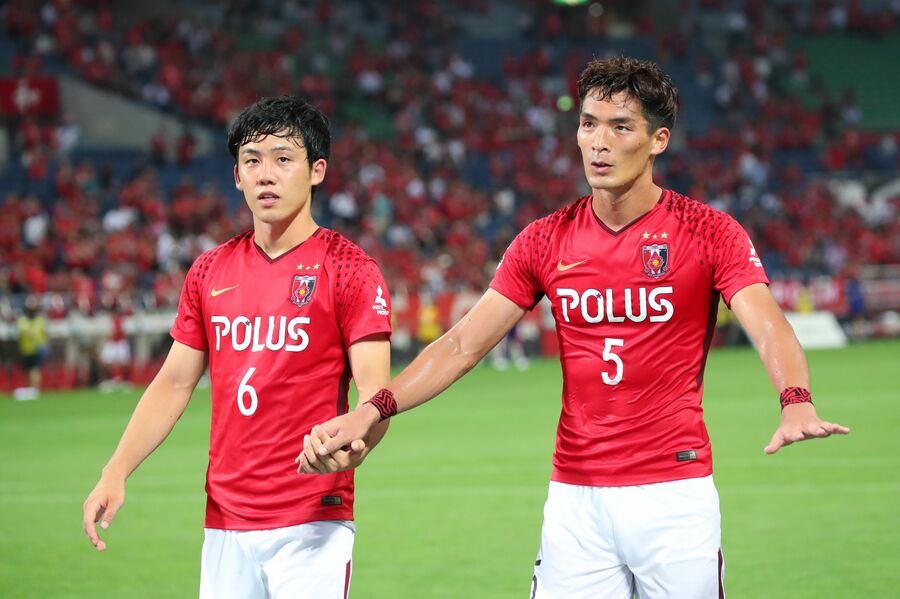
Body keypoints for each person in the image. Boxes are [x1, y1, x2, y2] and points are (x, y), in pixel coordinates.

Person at [299, 57, 850, 598]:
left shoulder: (707, 231)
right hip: (575, 500)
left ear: (658, 140)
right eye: (588, 124)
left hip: (674, 493)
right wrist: (373, 409)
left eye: (620, 127)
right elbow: (463, 343)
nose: (598, 143)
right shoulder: (545, 239)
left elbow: (768, 324)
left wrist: (795, 400)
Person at [83, 95, 392, 599]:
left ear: (317, 171)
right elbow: (173, 383)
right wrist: (115, 471)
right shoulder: (210, 270)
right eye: (252, 161)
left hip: (312, 520)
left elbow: (375, 395)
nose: (265, 175)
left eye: (282, 159)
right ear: (236, 176)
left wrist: (360, 444)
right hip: (224, 522)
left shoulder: (350, 268)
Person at [14, 295, 48, 400]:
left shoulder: (40, 320)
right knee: (28, 371)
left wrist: (44, 346)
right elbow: (21, 334)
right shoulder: (22, 320)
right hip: (25, 350)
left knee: (35, 370)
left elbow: (44, 334)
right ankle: (31, 391)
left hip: (37, 350)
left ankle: (35, 390)